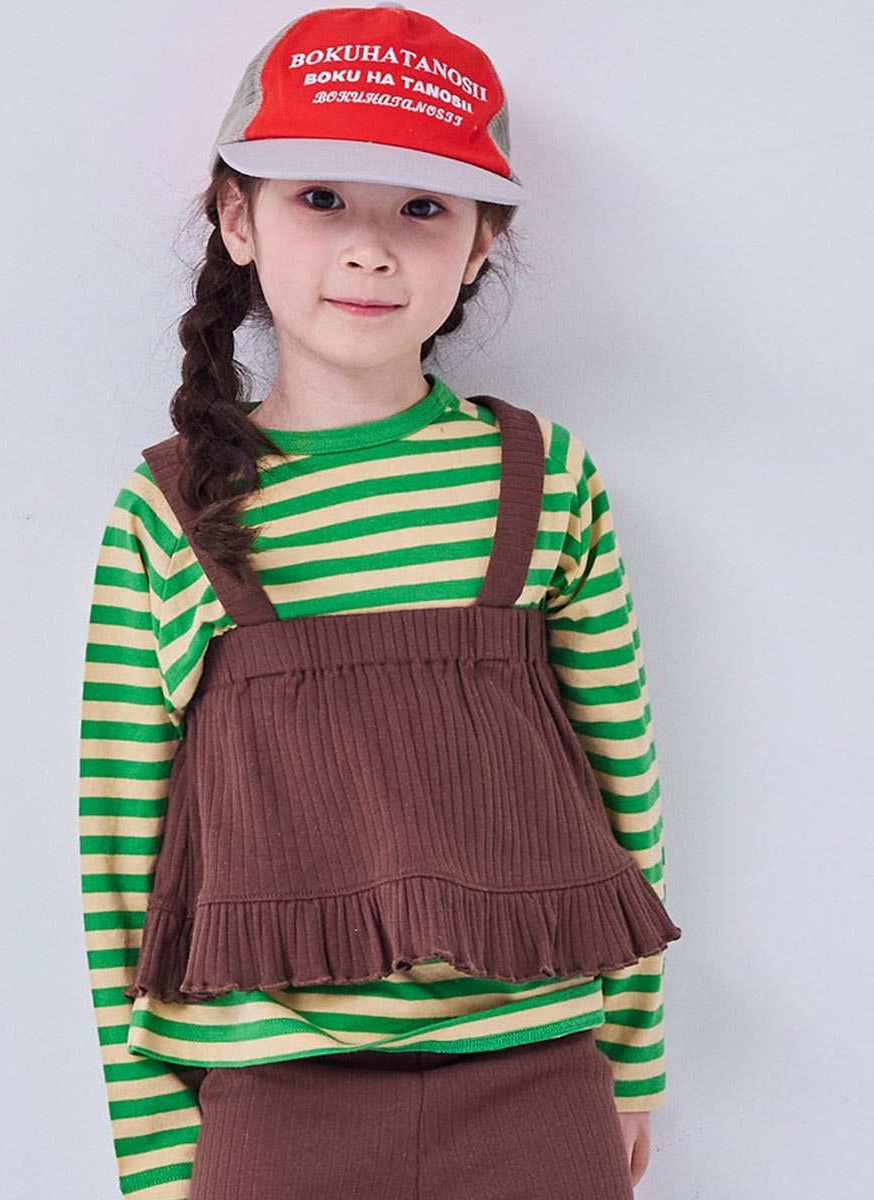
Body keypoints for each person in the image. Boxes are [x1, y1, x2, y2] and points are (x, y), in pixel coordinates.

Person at [78, 5, 682, 1198]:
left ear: (479, 245)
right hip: (269, 1100)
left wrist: (630, 1060)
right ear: (237, 219)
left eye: (421, 209)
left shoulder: (545, 479)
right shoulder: (170, 509)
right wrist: (152, 1148)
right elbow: (119, 848)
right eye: (321, 199)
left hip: (538, 1078)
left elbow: (625, 784)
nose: (370, 250)